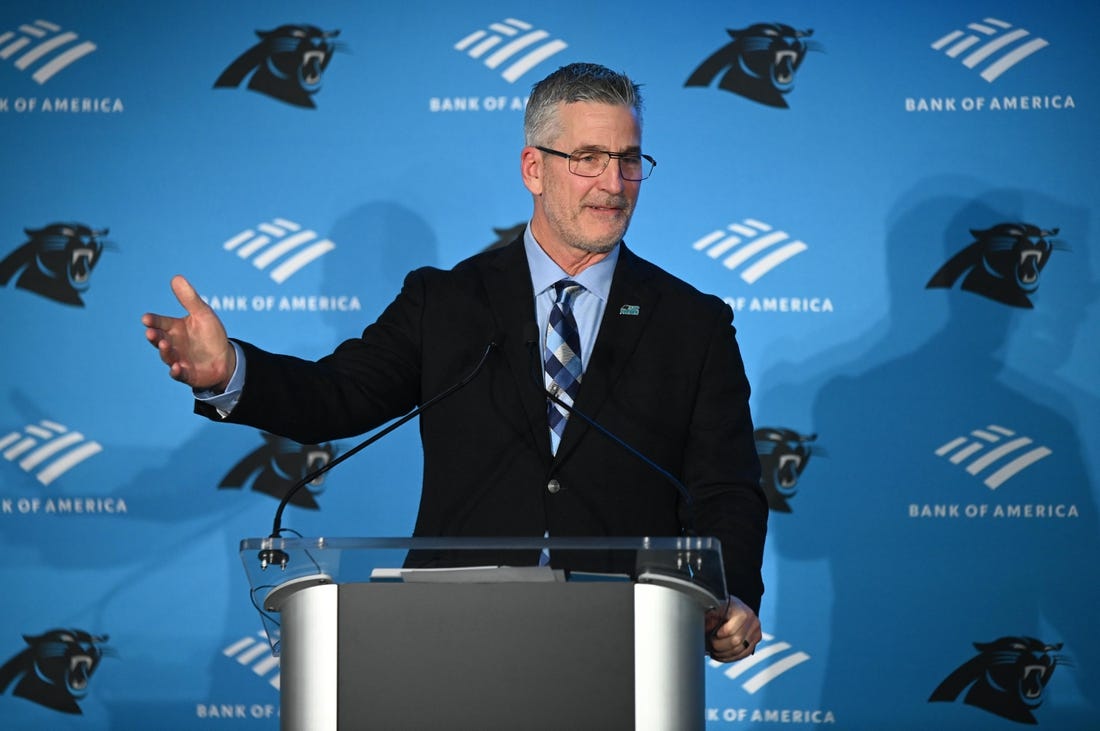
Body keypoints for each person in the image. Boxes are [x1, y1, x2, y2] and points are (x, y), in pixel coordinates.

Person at [142, 62, 767, 663]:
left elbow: (726, 487)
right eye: (588, 159)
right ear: (534, 168)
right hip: (453, 639)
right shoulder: (445, 303)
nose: (613, 183)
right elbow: (337, 396)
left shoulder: (694, 323)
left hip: (631, 644)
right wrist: (230, 371)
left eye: (629, 160)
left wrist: (732, 593)